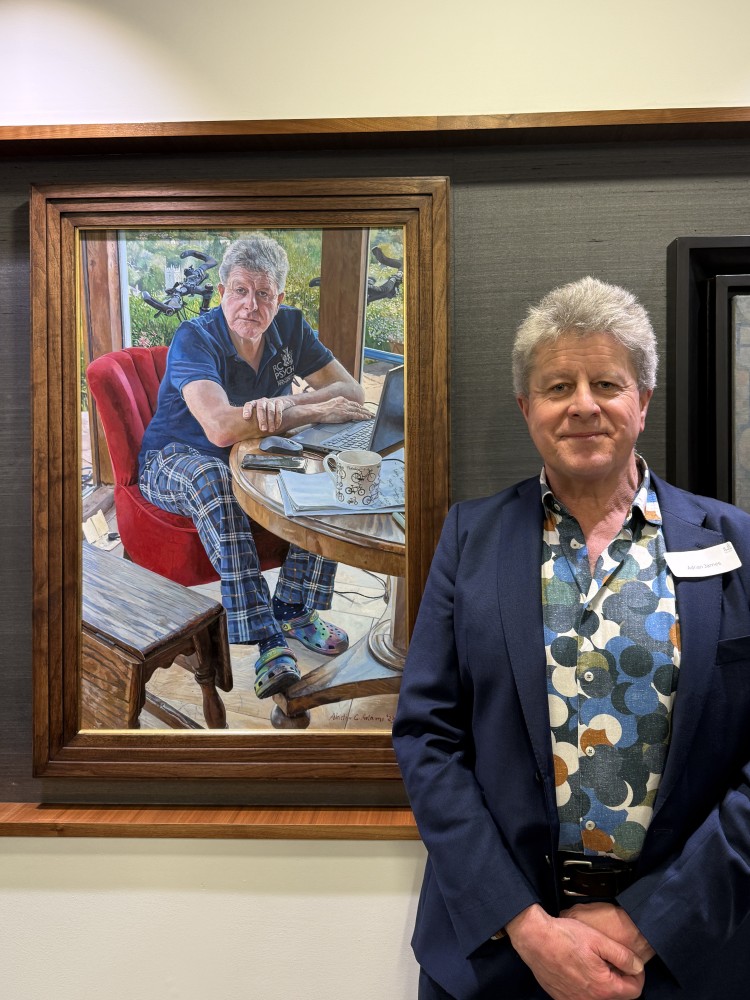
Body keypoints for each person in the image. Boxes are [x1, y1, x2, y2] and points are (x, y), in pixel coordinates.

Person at [392, 276, 750, 1000]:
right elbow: (426, 737)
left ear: (642, 402)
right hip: (499, 951)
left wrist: (650, 921)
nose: (583, 404)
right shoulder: (470, 539)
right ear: (527, 409)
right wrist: (527, 926)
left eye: (606, 383)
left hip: (684, 954)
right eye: (558, 387)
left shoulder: (735, 543)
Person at [139, 234, 372, 699]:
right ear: (222, 291)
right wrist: (308, 409)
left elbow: (353, 392)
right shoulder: (195, 338)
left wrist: (284, 404)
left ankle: (294, 607)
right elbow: (221, 429)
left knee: (326, 464)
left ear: (279, 298)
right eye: (241, 290)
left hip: (252, 456)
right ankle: (267, 638)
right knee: (214, 479)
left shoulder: (290, 327)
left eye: (264, 293)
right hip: (175, 458)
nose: (251, 304)